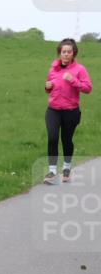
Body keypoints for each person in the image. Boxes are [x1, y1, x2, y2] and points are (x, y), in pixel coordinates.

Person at [43, 38, 92, 184]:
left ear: (73, 53)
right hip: (53, 110)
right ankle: (52, 171)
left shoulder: (80, 69)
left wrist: (73, 80)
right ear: (59, 53)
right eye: (63, 51)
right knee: (52, 138)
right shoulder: (53, 68)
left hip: (71, 111)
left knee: (66, 140)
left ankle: (66, 168)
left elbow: (88, 88)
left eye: (69, 52)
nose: (66, 54)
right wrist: (47, 86)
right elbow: (49, 88)